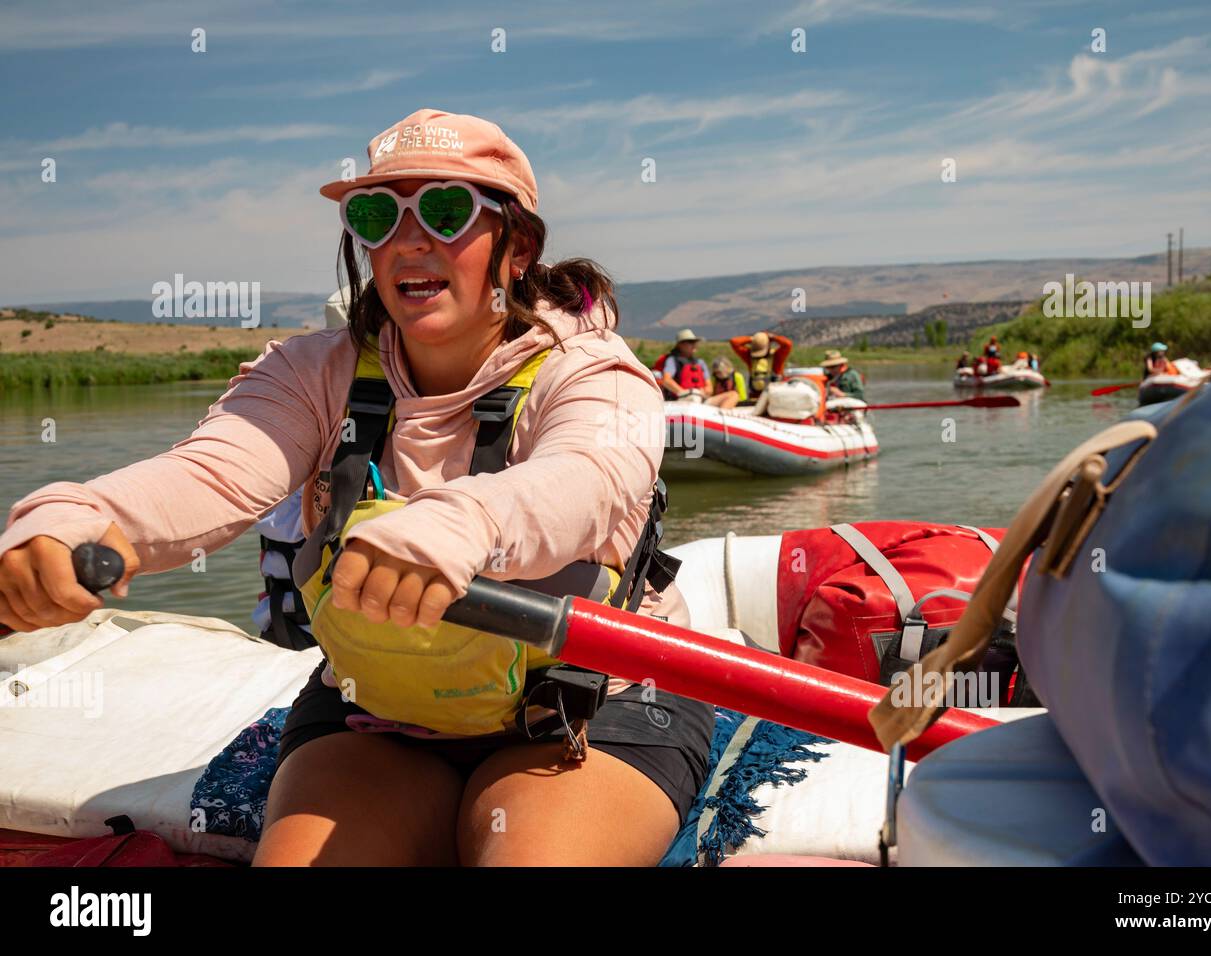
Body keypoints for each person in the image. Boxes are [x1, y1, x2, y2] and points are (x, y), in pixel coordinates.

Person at [0, 107, 714, 867]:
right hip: (379, 706)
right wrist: (74, 517)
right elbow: (207, 473)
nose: (410, 238)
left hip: (589, 705)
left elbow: (590, 480)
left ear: (518, 247)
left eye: (445, 210)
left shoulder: (593, 373)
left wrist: (457, 523)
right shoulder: (311, 374)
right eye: (378, 214)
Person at [729, 330, 793, 400]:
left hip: (774, 396)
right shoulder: (749, 356)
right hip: (758, 397)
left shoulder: (776, 356)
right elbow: (734, 342)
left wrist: (752, 339)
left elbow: (788, 344)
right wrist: (757, 339)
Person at [653, 329, 712, 401]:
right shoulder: (672, 360)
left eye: (695, 342)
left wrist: (702, 393)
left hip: (700, 397)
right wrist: (685, 394)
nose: (694, 345)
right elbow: (666, 380)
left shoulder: (700, 362)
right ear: (680, 345)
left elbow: (709, 387)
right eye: (690, 342)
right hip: (680, 399)